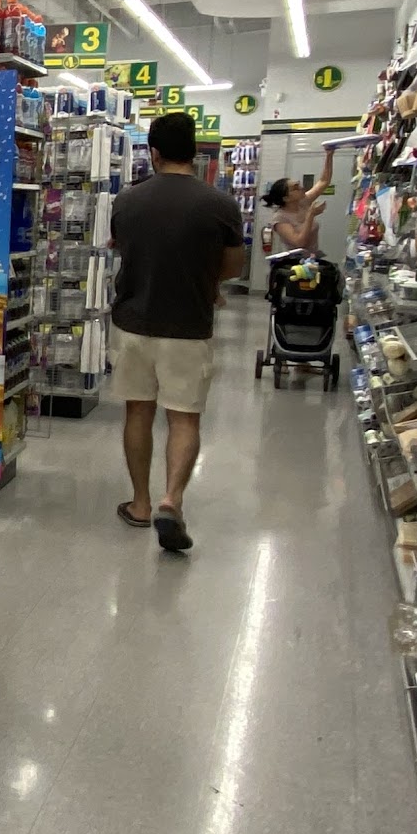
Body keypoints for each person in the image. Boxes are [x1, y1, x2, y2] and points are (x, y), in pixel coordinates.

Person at [109, 110, 246, 552]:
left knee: (138, 412)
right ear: (194, 151)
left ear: (154, 152)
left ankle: (141, 503)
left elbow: (123, 249)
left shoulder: (127, 201)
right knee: (184, 417)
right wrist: (205, 284)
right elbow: (233, 266)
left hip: (133, 323)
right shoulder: (221, 205)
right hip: (188, 326)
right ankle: (172, 500)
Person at [263, 147, 337, 252]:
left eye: (298, 184)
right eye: (296, 188)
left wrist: (329, 155)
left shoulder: (303, 202)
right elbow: (299, 243)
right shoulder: (280, 218)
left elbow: (324, 181)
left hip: (312, 257)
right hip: (296, 260)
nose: (301, 187)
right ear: (286, 198)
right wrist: (310, 215)